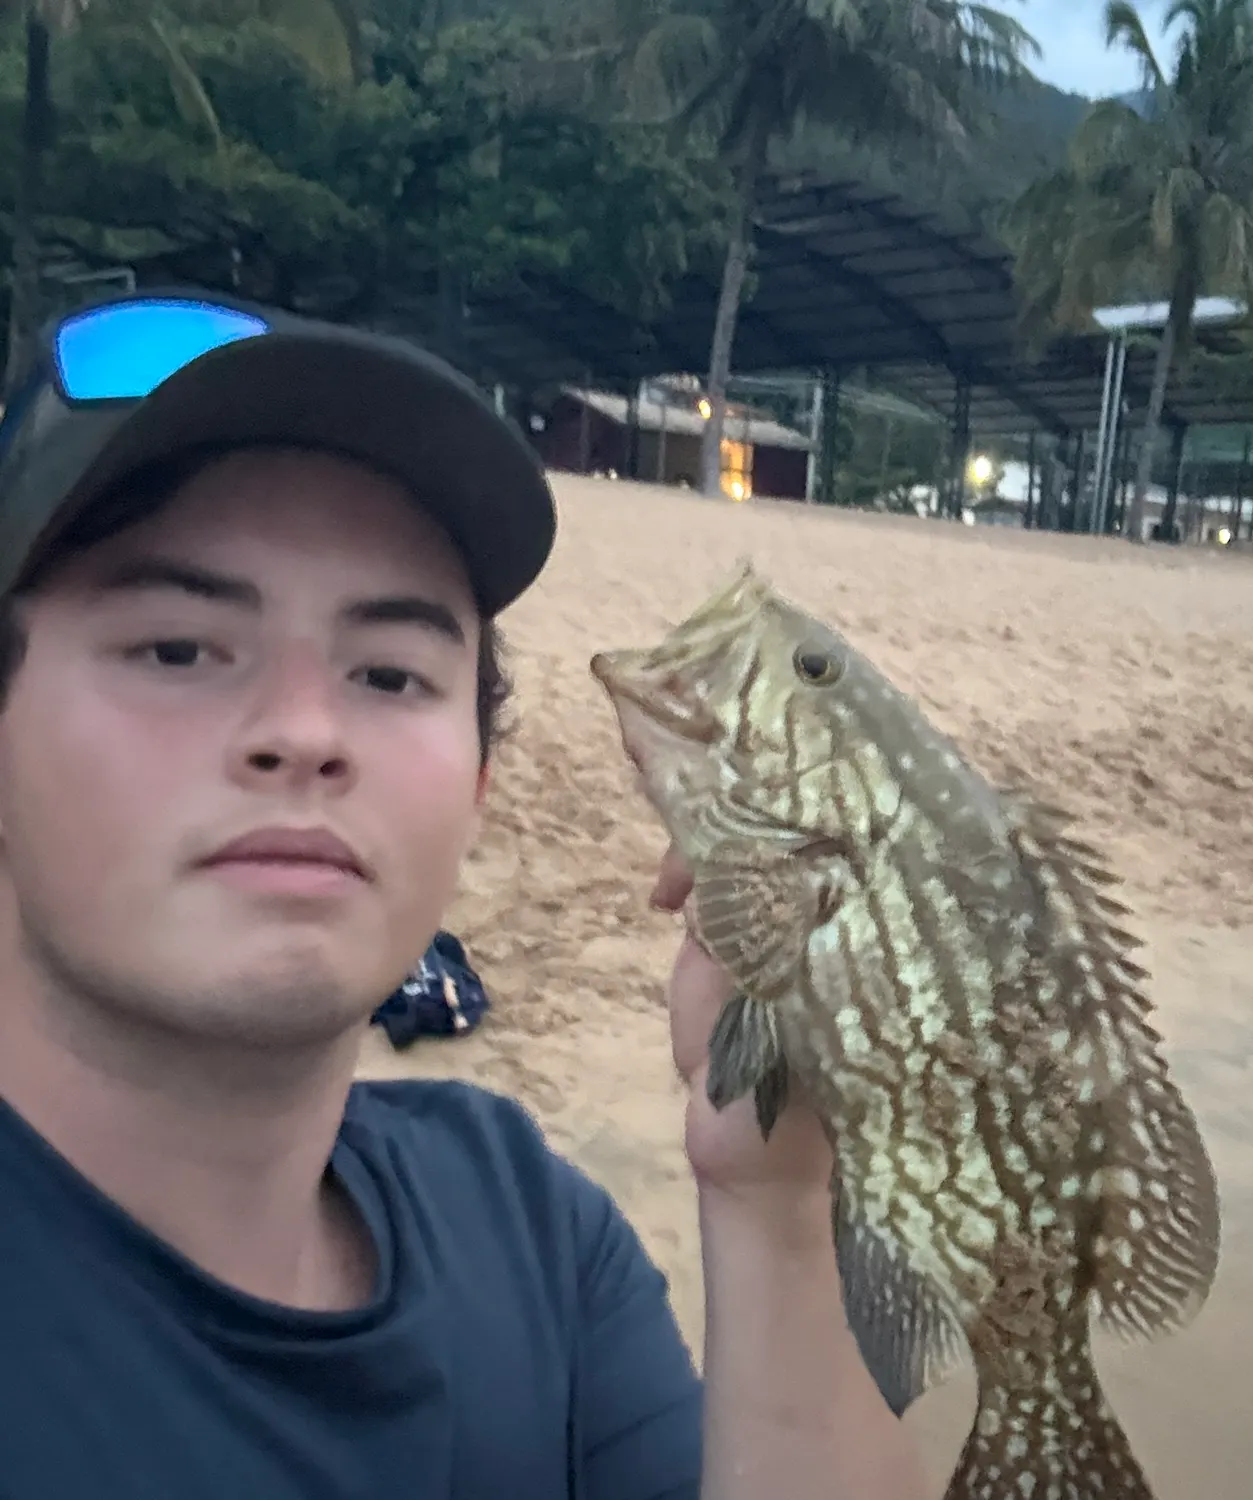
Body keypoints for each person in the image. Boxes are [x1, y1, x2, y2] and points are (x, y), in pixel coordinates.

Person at [0, 292, 929, 1499]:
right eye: (178, 648)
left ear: (479, 784)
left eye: (389, 672)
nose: (304, 733)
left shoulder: (531, 1235)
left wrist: (776, 1202)